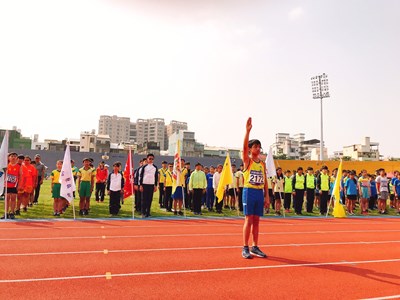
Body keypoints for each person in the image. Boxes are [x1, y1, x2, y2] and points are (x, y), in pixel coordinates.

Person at [241, 117, 270, 259]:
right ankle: (245, 247)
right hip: (249, 192)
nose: (258, 149)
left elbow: (265, 180)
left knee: (257, 221)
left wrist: (267, 196)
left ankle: (255, 246)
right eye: (255, 147)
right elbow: (244, 147)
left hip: (259, 193)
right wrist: (247, 131)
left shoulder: (262, 164)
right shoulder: (248, 161)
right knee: (249, 219)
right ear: (251, 149)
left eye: (259, 147)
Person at [2, 152, 21, 219]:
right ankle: (6, 213)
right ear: (9, 158)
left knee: (13, 199)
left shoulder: (19, 167)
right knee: (6, 199)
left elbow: (20, 176)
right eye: (12, 156)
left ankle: (12, 212)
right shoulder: (6, 166)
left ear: (17, 158)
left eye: (15, 156)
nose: (13, 157)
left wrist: (19, 185)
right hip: (6, 185)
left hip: (14, 185)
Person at [139, 154, 158, 218]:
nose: (151, 160)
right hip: (144, 184)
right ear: (147, 159)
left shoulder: (155, 167)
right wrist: (141, 185)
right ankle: (143, 212)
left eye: (152, 159)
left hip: (151, 185)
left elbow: (156, 177)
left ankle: (148, 212)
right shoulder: (144, 167)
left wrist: (155, 185)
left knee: (149, 199)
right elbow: (141, 176)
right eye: (150, 159)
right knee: (144, 199)